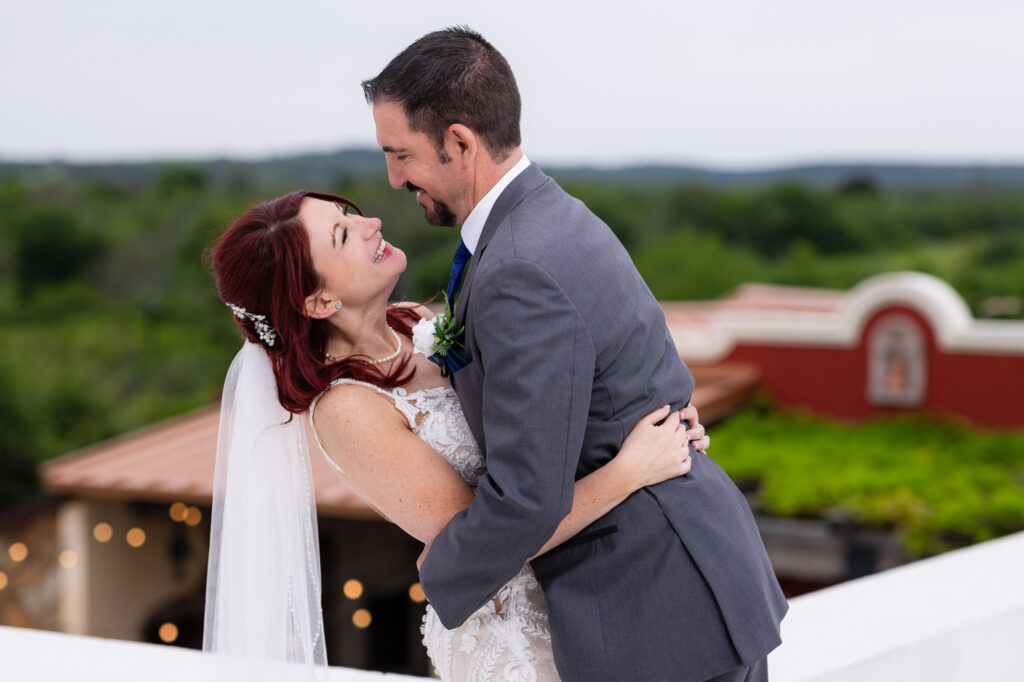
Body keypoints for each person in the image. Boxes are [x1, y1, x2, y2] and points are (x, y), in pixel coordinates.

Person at [362, 27, 788, 682]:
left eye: (400, 154)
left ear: (459, 143)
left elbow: (530, 494)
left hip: (653, 606)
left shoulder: (516, 264)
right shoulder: (545, 216)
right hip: (683, 576)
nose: (392, 178)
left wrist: (440, 569)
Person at [202, 189, 710, 681]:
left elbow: (541, 415)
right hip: (515, 634)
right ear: (318, 301)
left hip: (589, 587)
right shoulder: (346, 409)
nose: (370, 223)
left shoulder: (419, 324)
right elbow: (487, 540)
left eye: (347, 213)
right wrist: (631, 470)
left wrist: (654, 425)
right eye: (342, 234)